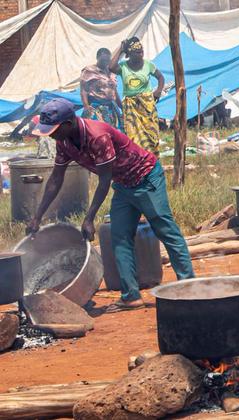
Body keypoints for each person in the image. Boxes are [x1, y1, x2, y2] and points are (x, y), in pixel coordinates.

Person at [26, 99, 195, 312]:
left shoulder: (97, 135)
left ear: (69, 123)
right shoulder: (64, 142)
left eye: (54, 130)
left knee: (165, 229)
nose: (51, 135)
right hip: (124, 184)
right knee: (120, 237)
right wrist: (37, 216)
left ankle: (188, 286)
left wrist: (89, 218)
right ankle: (131, 296)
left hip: (146, 178)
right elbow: (55, 179)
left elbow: (104, 180)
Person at [110, 37, 164, 157]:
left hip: (147, 105)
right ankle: (138, 159)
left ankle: (152, 159)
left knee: (151, 134)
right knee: (132, 135)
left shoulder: (148, 65)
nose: (140, 54)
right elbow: (111, 67)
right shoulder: (123, 66)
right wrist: (120, 50)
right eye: (137, 52)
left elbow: (161, 77)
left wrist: (158, 91)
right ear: (130, 54)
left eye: (141, 51)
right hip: (131, 107)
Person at [80, 48, 122, 130]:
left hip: (111, 108)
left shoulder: (111, 72)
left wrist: (122, 107)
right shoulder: (89, 71)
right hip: (96, 108)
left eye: (107, 61)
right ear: (97, 58)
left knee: (114, 132)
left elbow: (115, 93)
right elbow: (83, 90)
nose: (105, 63)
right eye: (102, 60)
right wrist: (86, 106)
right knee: (97, 132)